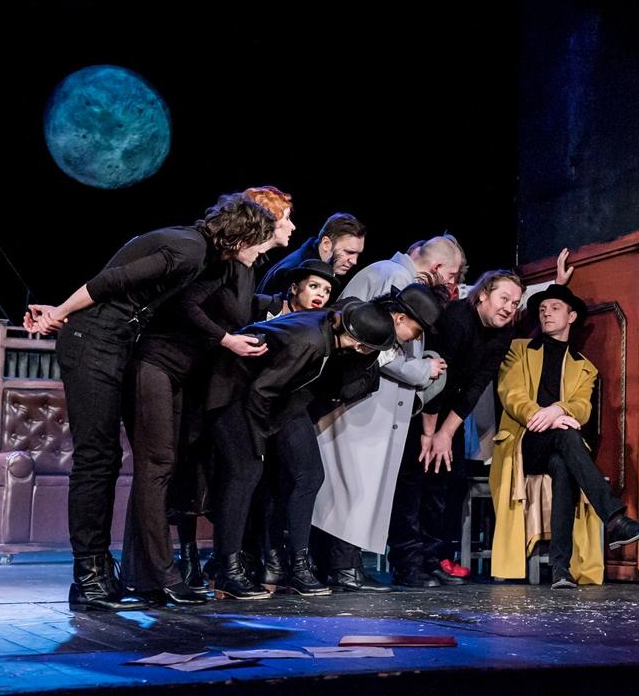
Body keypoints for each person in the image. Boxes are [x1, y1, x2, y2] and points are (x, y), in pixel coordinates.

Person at [24, 193, 277, 610]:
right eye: (259, 244)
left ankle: (100, 575)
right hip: (94, 343)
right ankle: (89, 579)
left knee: (106, 459)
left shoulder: (200, 252)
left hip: (111, 341)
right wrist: (59, 313)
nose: (261, 253)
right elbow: (110, 281)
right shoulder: (189, 249)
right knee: (96, 458)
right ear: (241, 238)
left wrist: (63, 313)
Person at [205, 301, 396, 599]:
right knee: (246, 472)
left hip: (276, 399)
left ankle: (296, 567)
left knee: (309, 474)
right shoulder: (310, 342)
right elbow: (260, 392)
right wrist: (259, 441)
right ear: (361, 345)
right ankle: (226, 572)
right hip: (233, 390)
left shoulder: (330, 332)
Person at [309, 235, 463, 590]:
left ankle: (342, 566)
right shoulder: (391, 276)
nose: (452, 283)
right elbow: (377, 345)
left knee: (355, 485)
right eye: (452, 275)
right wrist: (422, 370)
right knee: (350, 484)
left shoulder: (393, 275)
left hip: (375, 403)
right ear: (437, 267)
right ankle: (342, 567)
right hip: (363, 402)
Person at [491, 284, 639, 589]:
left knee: (563, 462)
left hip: (558, 443)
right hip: (524, 441)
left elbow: (582, 407)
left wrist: (558, 410)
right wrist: (542, 416)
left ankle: (561, 569)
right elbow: (511, 393)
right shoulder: (519, 350)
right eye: (543, 309)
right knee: (566, 435)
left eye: (555, 308)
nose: (546, 313)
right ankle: (615, 520)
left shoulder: (585, 368)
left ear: (571, 316)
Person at [387, 270, 525, 586]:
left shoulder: (503, 334)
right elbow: (435, 380)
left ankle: (433, 559)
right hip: (423, 408)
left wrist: (446, 433)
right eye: (504, 298)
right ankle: (408, 564)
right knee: (414, 484)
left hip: (452, 414)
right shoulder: (457, 319)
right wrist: (429, 434)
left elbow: (477, 386)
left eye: (515, 303)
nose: (509, 308)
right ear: (483, 295)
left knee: (447, 483)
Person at [258, 213, 366, 295]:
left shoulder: (317, 267)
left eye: (358, 254)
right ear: (326, 244)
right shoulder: (293, 272)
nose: (354, 261)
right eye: (349, 252)